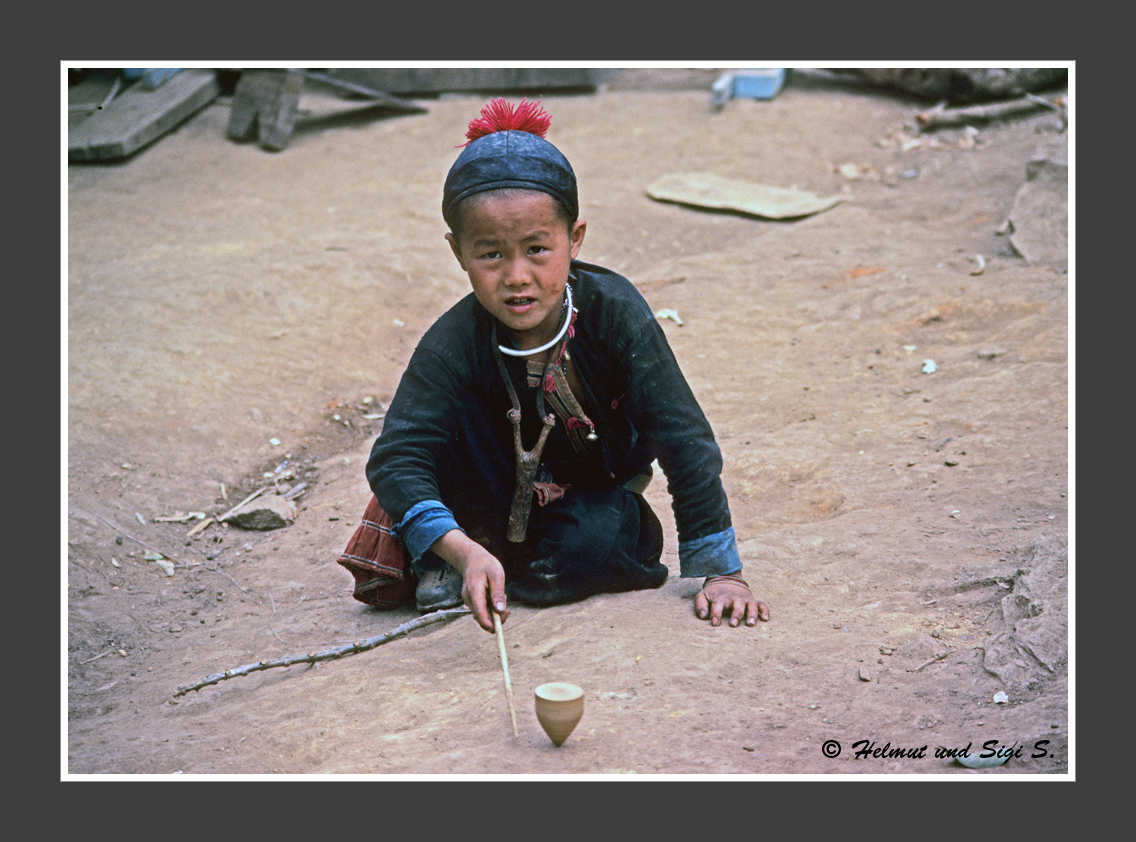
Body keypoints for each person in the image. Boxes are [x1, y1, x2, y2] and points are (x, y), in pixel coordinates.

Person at [366, 98, 770, 633]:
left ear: (574, 239)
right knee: (446, 472)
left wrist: (723, 573)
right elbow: (398, 457)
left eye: (537, 249)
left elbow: (682, 436)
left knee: (597, 546)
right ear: (457, 251)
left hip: (586, 492)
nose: (515, 275)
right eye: (490, 254)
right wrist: (461, 549)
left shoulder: (614, 314)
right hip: (481, 504)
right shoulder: (453, 342)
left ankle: (498, 565)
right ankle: (457, 558)